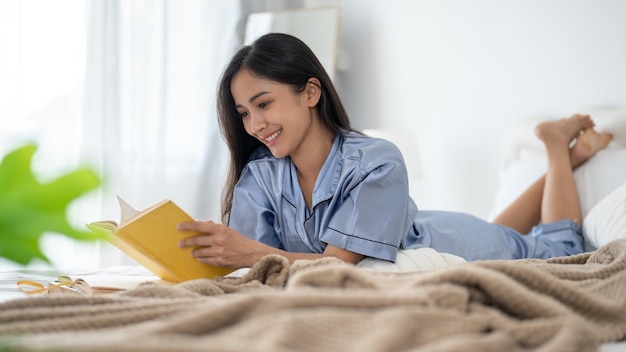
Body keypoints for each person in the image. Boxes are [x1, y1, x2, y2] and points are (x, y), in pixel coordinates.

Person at [177, 33, 613, 269]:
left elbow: (335, 267)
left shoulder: (377, 160)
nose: (254, 126)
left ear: (310, 93)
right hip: (427, 226)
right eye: (243, 114)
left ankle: (557, 147)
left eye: (264, 104)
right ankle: (569, 158)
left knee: (555, 245)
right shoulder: (260, 176)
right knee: (503, 230)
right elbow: (261, 270)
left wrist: (248, 253)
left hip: (456, 243)